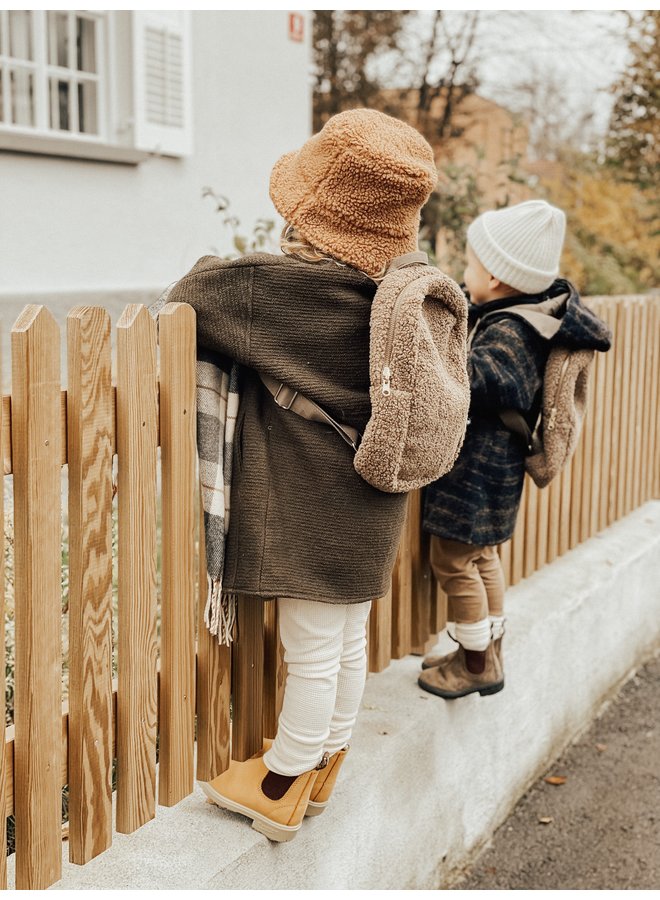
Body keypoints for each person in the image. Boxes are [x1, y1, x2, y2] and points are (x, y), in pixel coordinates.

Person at [164, 109, 439, 841]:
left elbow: (193, 294)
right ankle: (322, 766)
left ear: (313, 215)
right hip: (372, 506)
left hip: (312, 510)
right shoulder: (398, 300)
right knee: (346, 639)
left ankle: (281, 782)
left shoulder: (281, 293)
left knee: (312, 651)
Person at [419, 199, 612, 700]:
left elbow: (488, 381)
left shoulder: (513, 330)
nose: (464, 275)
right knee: (482, 557)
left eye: (470, 266)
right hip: (495, 469)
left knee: (453, 561)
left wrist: (441, 358)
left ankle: (477, 664)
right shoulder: (519, 314)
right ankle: (484, 650)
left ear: (500, 279)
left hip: (477, 470)